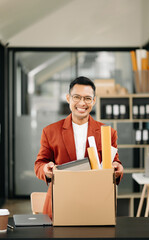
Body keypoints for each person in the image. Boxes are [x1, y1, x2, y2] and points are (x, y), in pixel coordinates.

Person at [34, 76, 123, 219]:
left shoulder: (108, 132)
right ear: (68, 98)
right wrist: (46, 169)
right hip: (60, 201)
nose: (82, 103)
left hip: (95, 202)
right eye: (77, 97)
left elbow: (115, 162)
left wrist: (117, 168)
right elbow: (39, 164)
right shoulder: (50, 131)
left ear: (93, 101)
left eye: (87, 98)